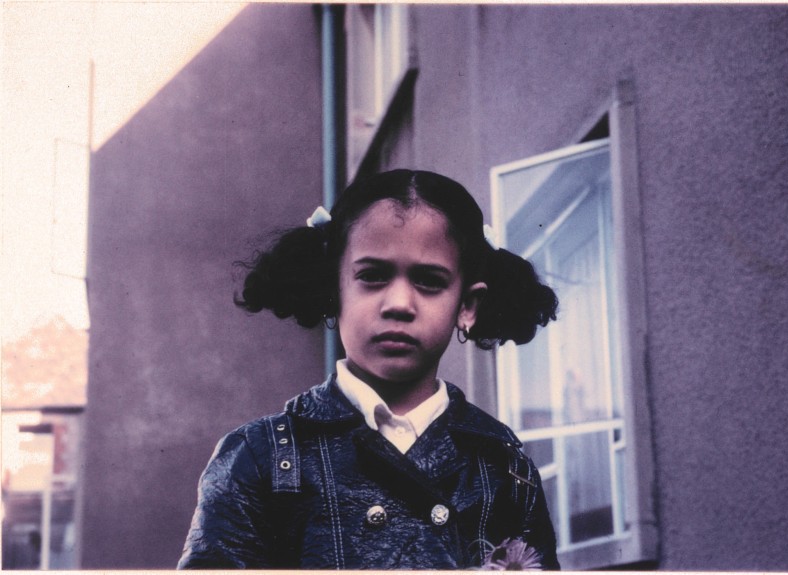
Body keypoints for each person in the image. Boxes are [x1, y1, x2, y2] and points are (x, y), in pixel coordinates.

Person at [178, 170, 560, 570]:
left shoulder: (504, 466)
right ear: (333, 289)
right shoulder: (259, 458)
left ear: (467, 306)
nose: (398, 303)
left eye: (429, 281)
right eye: (372, 276)